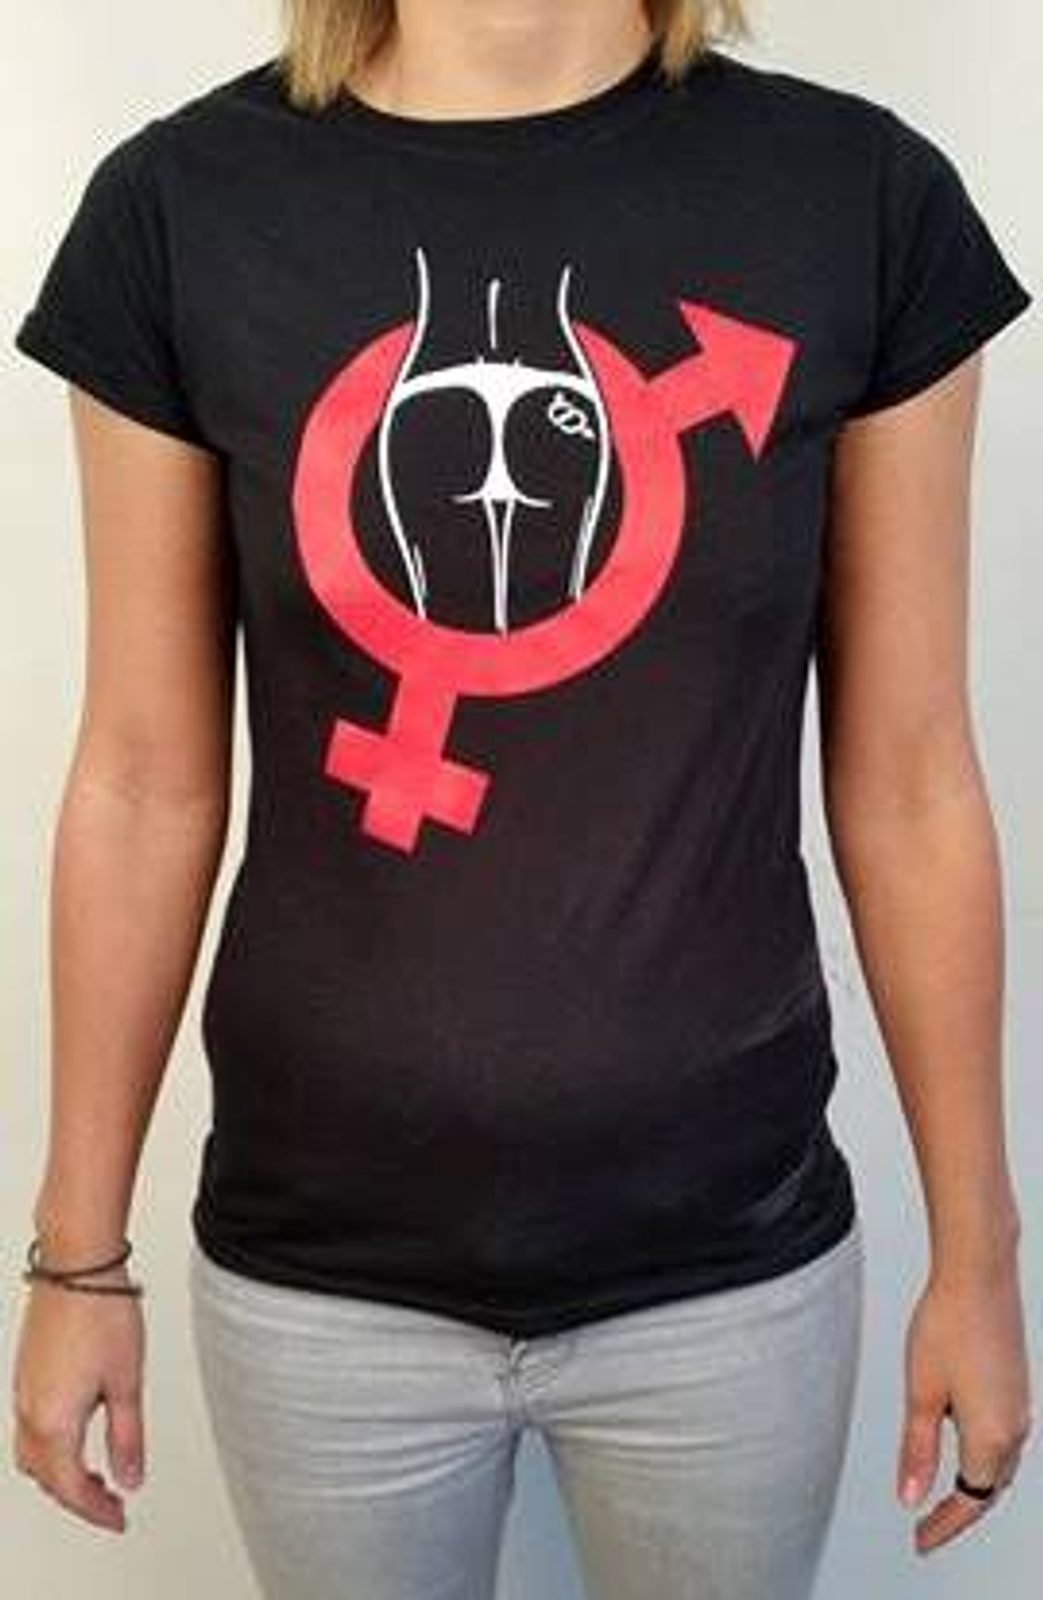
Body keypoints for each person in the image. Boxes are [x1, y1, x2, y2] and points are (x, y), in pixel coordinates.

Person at [8, 1, 1035, 1595]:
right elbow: (143, 781)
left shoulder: (860, 202)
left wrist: (980, 1255)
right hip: (320, 1279)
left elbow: (909, 784)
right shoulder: (180, 211)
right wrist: (77, 1257)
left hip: (727, 1273)